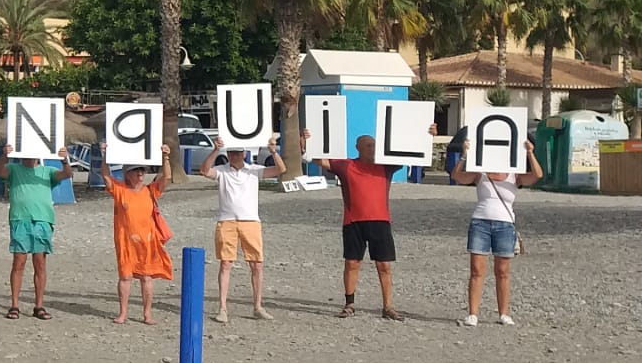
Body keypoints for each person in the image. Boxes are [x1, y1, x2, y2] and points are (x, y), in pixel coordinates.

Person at [311, 128, 429, 321]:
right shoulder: (345, 165)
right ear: (358, 148)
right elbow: (317, 159)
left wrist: (427, 134)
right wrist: (307, 140)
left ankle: (388, 306)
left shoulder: (386, 165)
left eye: (374, 145)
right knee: (352, 263)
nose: (372, 148)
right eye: (367, 145)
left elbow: (413, 153)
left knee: (384, 265)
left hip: (380, 221)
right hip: (353, 221)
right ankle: (349, 303)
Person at [449, 137, 542, 326]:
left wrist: (530, 152)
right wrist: (464, 156)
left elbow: (537, 175)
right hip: (480, 223)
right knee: (476, 270)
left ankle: (503, 313)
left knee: (503, 271)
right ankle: (473, 313)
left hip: (505, 225)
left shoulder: (514, 175)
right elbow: (457, 177)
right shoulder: (480, 172)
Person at [198, 137, 286, 323]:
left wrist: (273, 151)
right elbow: (204, 171)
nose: (234, 156)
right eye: (231, 152)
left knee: (256, 264)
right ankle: (222, 307)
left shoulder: (253, 170)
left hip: (251, 221)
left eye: (238, 153)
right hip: (227, 221)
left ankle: (258, 306)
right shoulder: (222, 171)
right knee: (225, 263)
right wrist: (215, 150)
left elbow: (280, 169)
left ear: (244, 153)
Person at [101, 142, 173, 325]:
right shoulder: (120, 190)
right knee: (125, 277)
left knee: (146, 277)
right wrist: (104, 155)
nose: (140, 174)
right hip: (126, 242)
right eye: (136, 171)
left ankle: (147, 313)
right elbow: (105, 176)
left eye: (142, 171)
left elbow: (167, 178)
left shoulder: (150, 190)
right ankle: (123, 313)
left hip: (147, 241)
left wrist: (165, 157)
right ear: (128, 174)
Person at [0, 144, 70, 321]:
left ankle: (39, 305)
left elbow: (66, 174)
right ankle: (14, 305)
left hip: (43, 220)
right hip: (20, 219)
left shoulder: (48, 170)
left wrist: (65, 160)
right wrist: (4, 155)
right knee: (19, 262)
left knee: (40, 263)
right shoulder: (13, 169)